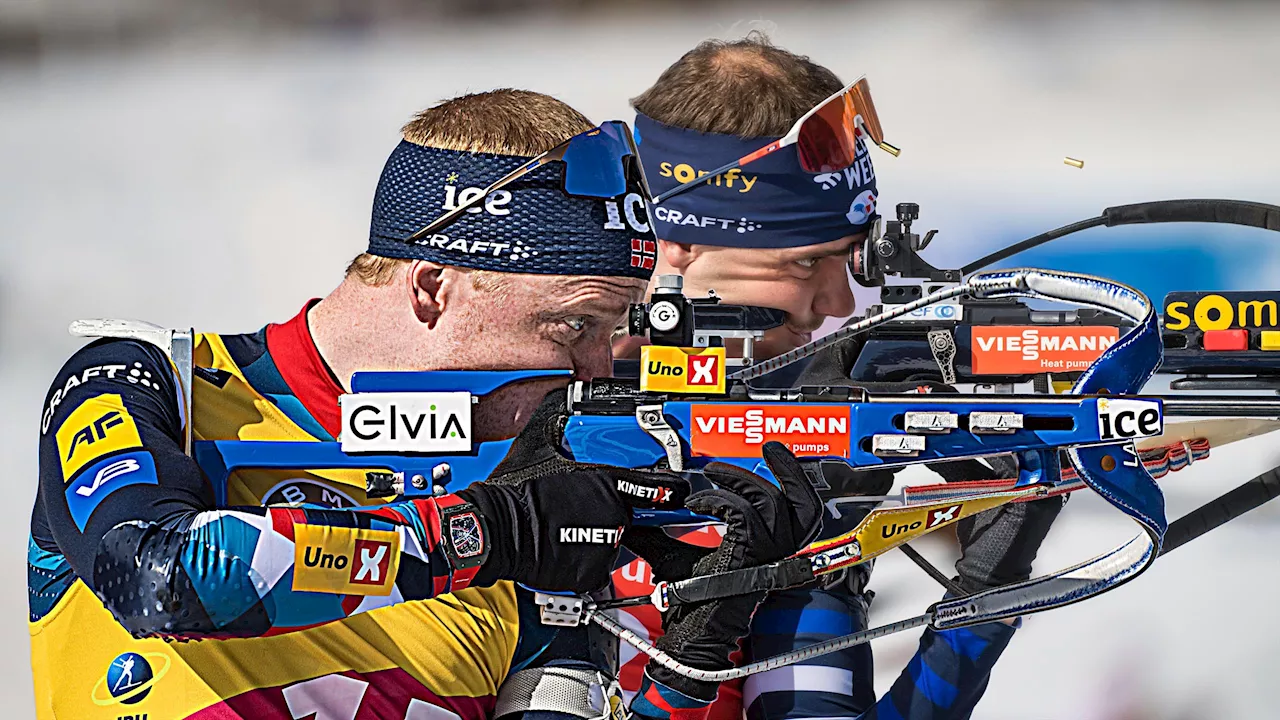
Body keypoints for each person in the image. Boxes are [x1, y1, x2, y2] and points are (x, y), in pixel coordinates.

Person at [28, 88, 821, 720]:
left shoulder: (531, 488)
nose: (595, 365)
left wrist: (689, 664)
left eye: (612, 328)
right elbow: (157, 576)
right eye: (573, 324)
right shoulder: (158, 385)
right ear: (433, 287)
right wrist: (481, 532)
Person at [604, 35, 1066, 720]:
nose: (839, 305)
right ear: (679, 239)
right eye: (801, 264)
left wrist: (985, 592)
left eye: (848, 261)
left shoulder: (800, 436)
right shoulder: (511, 425)